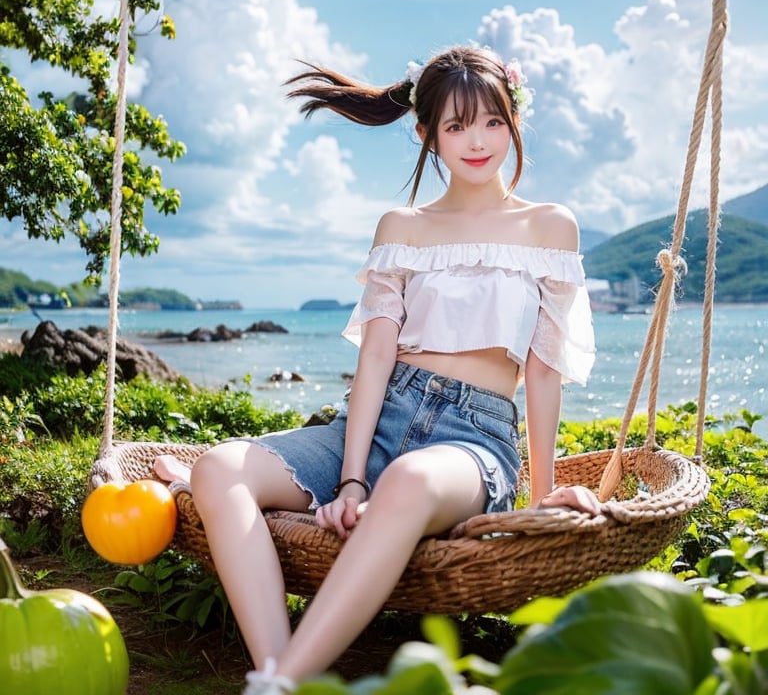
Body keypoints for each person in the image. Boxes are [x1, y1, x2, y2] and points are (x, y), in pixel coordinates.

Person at [154, 44, 598, 695]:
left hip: (472, 441)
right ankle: (279, 676)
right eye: (456, 126)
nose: (477, 140)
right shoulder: (403, 226)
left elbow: (542, 371)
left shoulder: (549, 227)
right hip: (383, 415)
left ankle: (275, 684)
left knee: (411, 480)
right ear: (426, 134)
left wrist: (538, 499)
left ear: (513, 121)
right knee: (221, 466)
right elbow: (376, 359)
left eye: (492, 122)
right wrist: (354, 479)